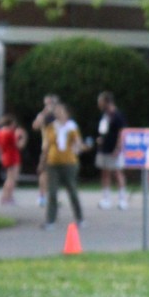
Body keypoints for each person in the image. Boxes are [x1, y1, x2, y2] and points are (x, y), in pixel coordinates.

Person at [42, 100, 85, 229]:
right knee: (52, 192)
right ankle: (50, 220)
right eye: (56, 111)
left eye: (61, 111)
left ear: (66, 113)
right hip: (53, 162)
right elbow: (46, 145)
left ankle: (80, 218)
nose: (58, 113)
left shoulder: (71, 127)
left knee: (72, 191)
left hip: (69, 163)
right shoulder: (51, 127)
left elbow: (78, 142)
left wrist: (77, 147)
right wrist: (42, 161)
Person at [95, 91, 128, 209]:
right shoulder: (105, 116)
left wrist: (118, 148)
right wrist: (101, 139)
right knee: (105, 173)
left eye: (100, 102)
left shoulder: (117, 115)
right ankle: (106, 199)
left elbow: (121, 133)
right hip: (104, 148)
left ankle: (122, 199)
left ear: (106, 102)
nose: (99, 104)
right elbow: (103, 130)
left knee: (117, 172)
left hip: (114, 149)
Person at [32, 94, 59, 209]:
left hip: (59, 148)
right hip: (47, 147)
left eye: (51, 103)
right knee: (44, 172)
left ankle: (52, 197)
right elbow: (35, 126)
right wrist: (44, 113)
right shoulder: (43, 115)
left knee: (56, 173)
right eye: (47, 103)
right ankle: (42, 196)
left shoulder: (59, 115)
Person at [0, 114, 26, 205]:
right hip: (13, 157)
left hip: (5, 156)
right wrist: (23, 136)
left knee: (9, 178)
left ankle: (5, 197)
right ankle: (8, 197)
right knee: (12, 179)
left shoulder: (0, 132)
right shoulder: (10, 133)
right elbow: (19, 145)